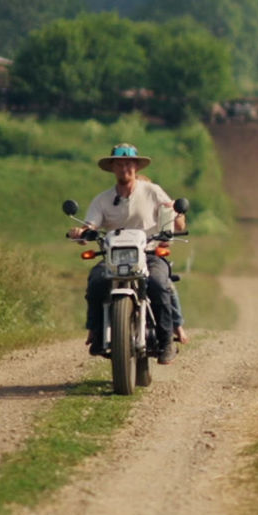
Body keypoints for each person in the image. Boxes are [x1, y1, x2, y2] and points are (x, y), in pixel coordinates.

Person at [70, 143, 188, 364]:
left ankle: (166, 342)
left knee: (159, 283)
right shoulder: (102, 199)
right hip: (113, 256)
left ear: (136, 167)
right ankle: (96, 332)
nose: (124, 168)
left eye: (129, 164)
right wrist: (81, 233)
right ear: (112, 168)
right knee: (96, 280)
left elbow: (177, 221)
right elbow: (90, 226)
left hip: (149, 254)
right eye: (119, 164)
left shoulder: (153, 192)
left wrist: (176, 215)